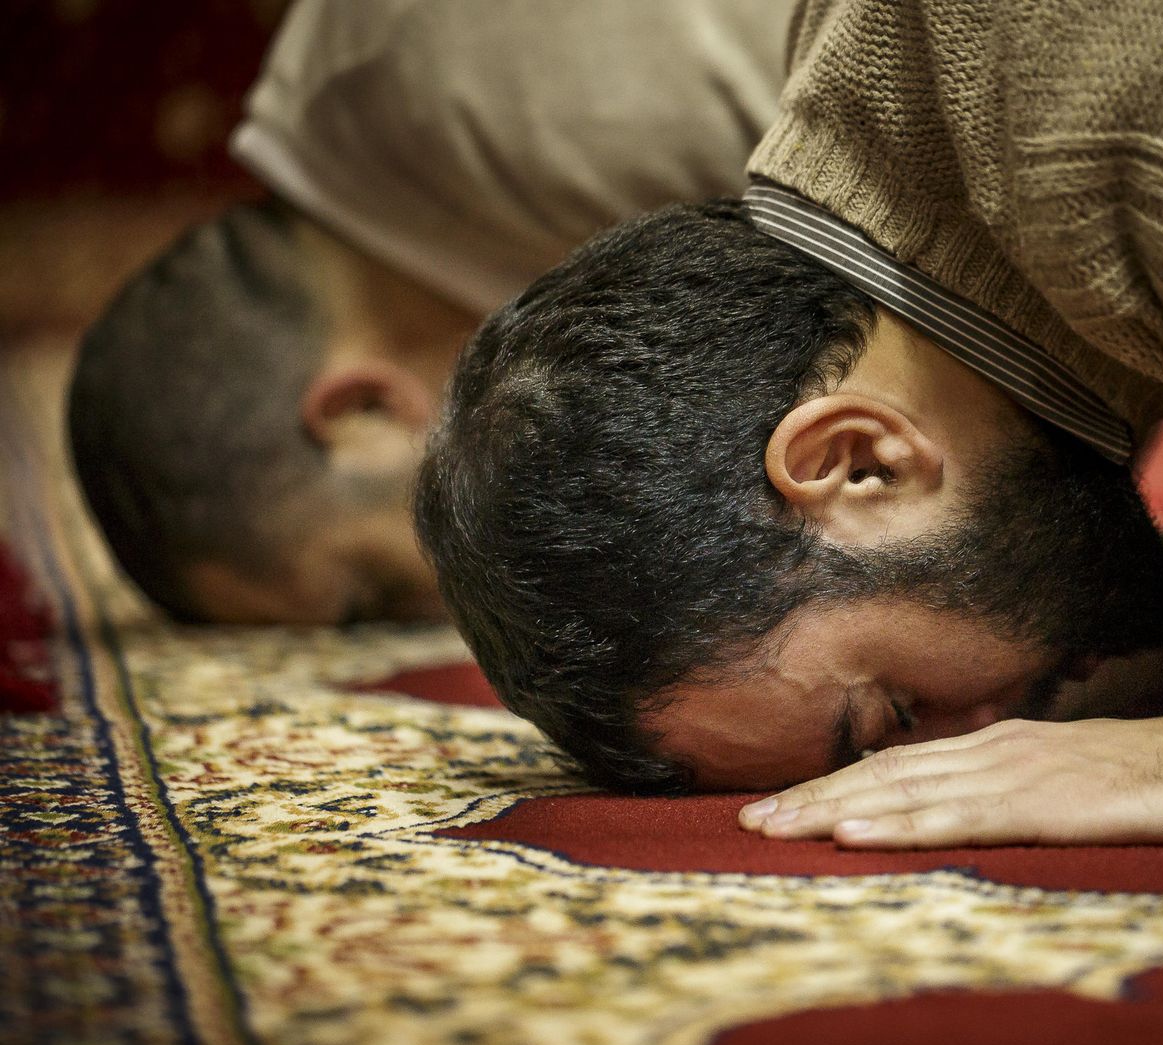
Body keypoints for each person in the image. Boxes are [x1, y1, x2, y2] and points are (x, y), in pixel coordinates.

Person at [415, 0, 1163, 861]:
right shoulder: (910, 151)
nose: (977, 746)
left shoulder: (1107, 99)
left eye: (897, 717)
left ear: (858, 460)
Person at [68, 0, 786, 624]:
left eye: (371, 598)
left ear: (363, 409)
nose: (434, 613)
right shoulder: (381, 121)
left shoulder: (538, 115)